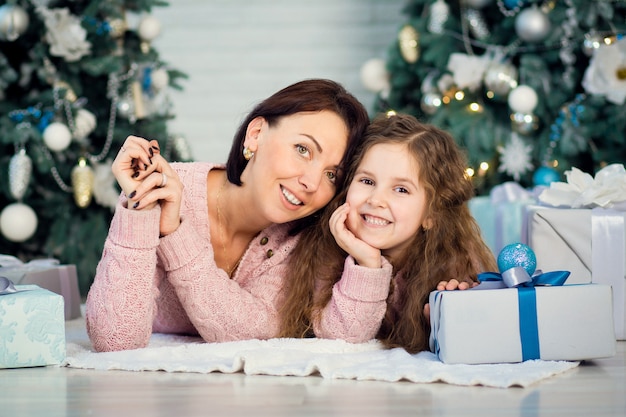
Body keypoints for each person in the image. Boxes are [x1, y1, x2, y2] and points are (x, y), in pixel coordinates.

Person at [85, 79, 371, 352]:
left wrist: (174, 235)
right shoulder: (157, 188)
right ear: (256, 134)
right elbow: (115, 340)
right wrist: (141, 211)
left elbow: (255, 334)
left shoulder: (300, 240)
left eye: (332, 174)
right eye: (302, 149)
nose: (311, 182)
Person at [280, 112, 497, 353]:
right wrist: (367, 264)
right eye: (367, 181)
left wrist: (439, 328)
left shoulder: (455, 260)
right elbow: (342, 339)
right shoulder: (326, 251)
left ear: (431, 215)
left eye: (401, 189)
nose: (376, 200)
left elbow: (485, 341)